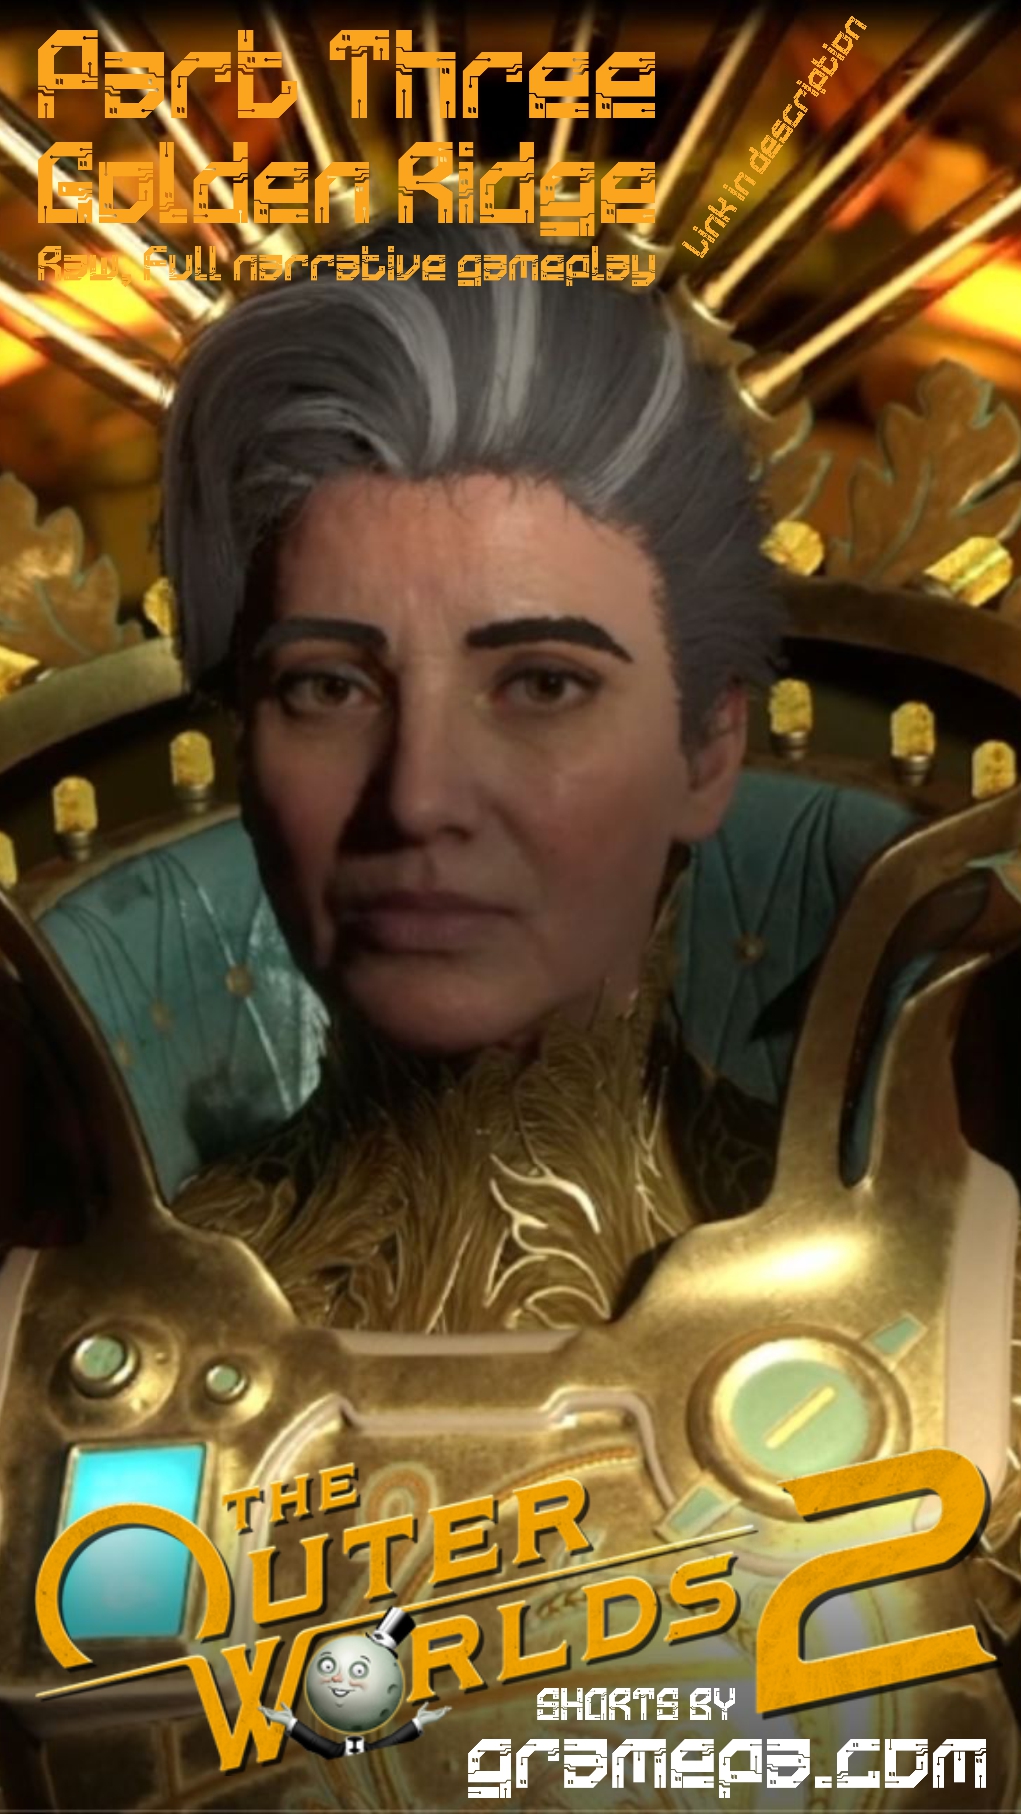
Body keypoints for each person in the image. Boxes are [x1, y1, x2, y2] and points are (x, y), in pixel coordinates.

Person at [164, 215, 784, 1331]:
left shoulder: (948, 1289)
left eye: (542, 684)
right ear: (241, 747)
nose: (417, 799)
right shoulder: (81, 1323)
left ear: (707, 749)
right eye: (327, 687)